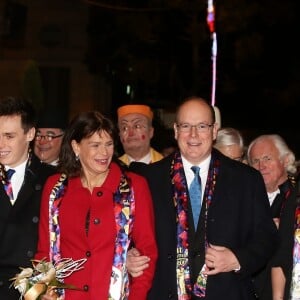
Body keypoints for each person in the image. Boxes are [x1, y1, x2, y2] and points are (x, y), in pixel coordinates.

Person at [127, 96, 278, 300]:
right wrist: (128, 256)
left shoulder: (246, 179)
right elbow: (126, 235)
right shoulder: (149, 179)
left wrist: (237, 259)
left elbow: (266, 238)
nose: (193, 135)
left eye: (202, 126)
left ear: (214, 130)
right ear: (175, 130)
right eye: (186, 126)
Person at [35, 110, 158, 299]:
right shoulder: (55, 188)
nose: (104, 153)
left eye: (109, 144)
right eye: (95, 145)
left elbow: (147, 253)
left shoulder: (134, 187)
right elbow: (44, 251)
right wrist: (43, 289)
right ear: (76, 147)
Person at [0, 97, 56, 300]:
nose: (1, 144)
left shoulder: (54, 179)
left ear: (30, 134)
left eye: (9, 136)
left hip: (32, 292)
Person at [247, 134, 298, 299]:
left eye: (267, 158)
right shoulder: (243, 198)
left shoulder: (295, 200)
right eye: (255, 161)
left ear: (285, 160)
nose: (261, 166)